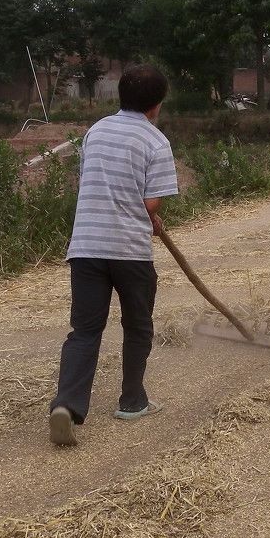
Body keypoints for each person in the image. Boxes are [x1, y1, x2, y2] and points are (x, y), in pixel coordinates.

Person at [49, 64, 178, 447]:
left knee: (85, 330)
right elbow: (149, 200)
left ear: (119, 96)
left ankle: (67, 406)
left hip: (86, 247)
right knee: (137, 325)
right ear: (156, 105)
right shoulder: (156, 141)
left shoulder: (96, 131)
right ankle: (133, 401)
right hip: (129, 251)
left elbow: (95, 179)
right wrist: (151, 215)